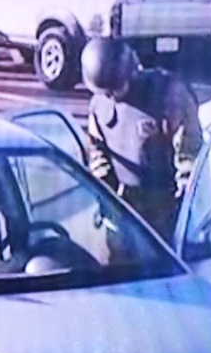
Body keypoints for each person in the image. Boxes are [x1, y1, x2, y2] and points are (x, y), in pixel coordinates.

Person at [81, 37, 203, 244]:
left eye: (115, 90)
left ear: (130, 75)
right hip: (124, 209)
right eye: (105, 93)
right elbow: (98, 153)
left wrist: (185, 193)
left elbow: (189, 150)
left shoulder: (168, 95)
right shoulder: (99, 105)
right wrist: (105, 195)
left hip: (165, 206)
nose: (111, 97)